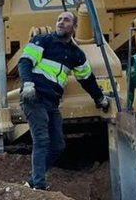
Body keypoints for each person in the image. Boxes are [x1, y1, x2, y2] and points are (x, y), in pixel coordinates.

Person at [18, 11, 111, 189]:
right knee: (42, 140)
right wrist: (28, 83)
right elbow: (25, 62)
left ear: (75, 27)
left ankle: (32, 182)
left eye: (66, 20)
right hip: (34, 97)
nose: (61, 23)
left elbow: (86, 79)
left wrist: (99, 98)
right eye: (59, 19)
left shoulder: (76, 54)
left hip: (52, 102)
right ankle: (39, 185)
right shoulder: (42, 41)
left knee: (58, 145)